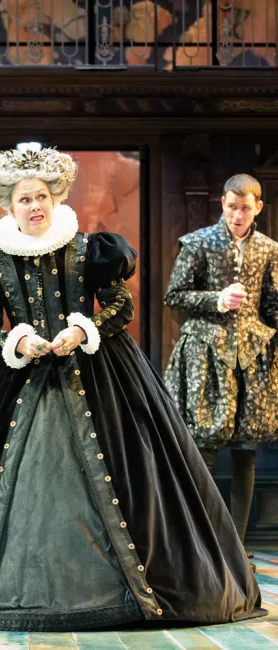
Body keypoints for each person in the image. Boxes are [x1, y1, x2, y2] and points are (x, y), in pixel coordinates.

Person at [0, 149, 264, 631]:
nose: (35, 205)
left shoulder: (91, 249)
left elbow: (120, 307)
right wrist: (17, 340)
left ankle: (116, 590)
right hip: (18, 382)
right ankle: (15, 591)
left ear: (54, 197)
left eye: (41, 196)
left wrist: (82, 329)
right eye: (24, 199)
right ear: (8, 206)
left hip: (100, 374)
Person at [164, 174, 278, 569]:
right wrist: (217, 298)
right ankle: (207, 544)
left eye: (245, 207)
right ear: (222, 204)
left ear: (258, 207)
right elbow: (174, 295)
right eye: (231, 206)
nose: (237, 215)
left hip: (251, 358)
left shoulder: (269, 249)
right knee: (205, 449)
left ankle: (236, 547)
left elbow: (271, 306)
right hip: (207, 354)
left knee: (246, 450)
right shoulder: (199, 242)